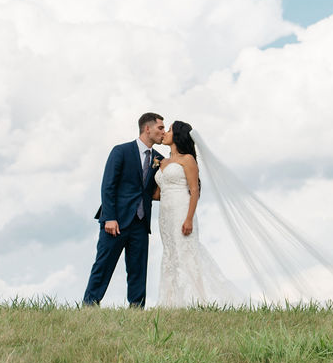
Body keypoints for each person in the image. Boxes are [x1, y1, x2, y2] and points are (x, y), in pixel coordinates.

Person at [82, 112, 165, 308]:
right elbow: (108, 186)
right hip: (115, 221)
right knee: (103, 265)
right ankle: (89, 305)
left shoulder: (159, 159)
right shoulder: (121, 151)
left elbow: (155, 191)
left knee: (138, 268)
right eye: (160, 127)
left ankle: (136, 308)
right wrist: (110, 217)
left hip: (141, 223)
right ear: (147, 128)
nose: (163, 131)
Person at [155, 120, 240, 307]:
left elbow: (194, 190)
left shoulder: (188, 160)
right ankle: (171, 301)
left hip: (181, 211)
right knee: (170, 254)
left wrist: (189, 219)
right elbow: (158, 193)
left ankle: (196, 299)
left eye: (168, 130)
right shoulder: (162, 162)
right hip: (165, 214)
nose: (165, 134)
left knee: (185, 252)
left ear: (177, 136)